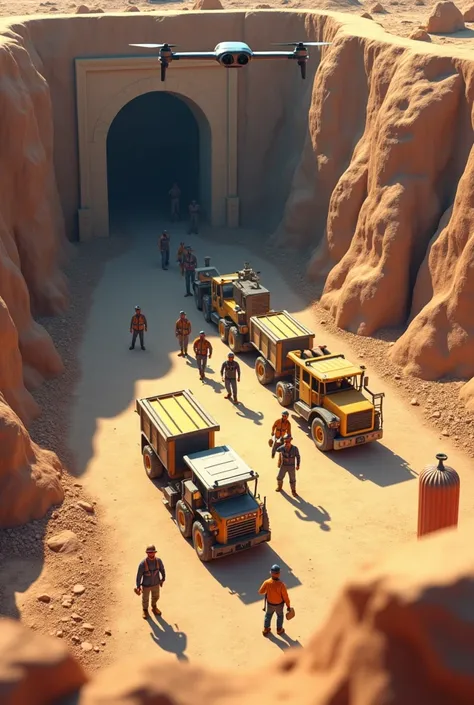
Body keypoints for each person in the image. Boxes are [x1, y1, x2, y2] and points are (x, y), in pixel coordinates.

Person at [258, 564, 291, 637]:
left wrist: (267, 590)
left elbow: (260, 591)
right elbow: (285, 597)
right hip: (279, 605)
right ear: (279, 574)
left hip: (270, 604)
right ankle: (279, 630)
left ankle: (266, 629)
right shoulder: (281, 585)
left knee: (268, 615)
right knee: (280, 616)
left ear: (271, 573)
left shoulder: (267, 582)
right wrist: (288, 606)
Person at [135, 544, 166, 620]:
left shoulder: (159, 561)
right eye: (149, 552)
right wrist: (138, 586)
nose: (151, 554)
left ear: (155, 553)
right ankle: (145, 610)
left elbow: (162, 570)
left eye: (152, 552)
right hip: (146, 585)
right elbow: (139, 576)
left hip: (156, 583)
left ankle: (154, 607)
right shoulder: (142, 564)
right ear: (147, 553)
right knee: (145, 598)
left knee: (156, 596)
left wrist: (163, 579)